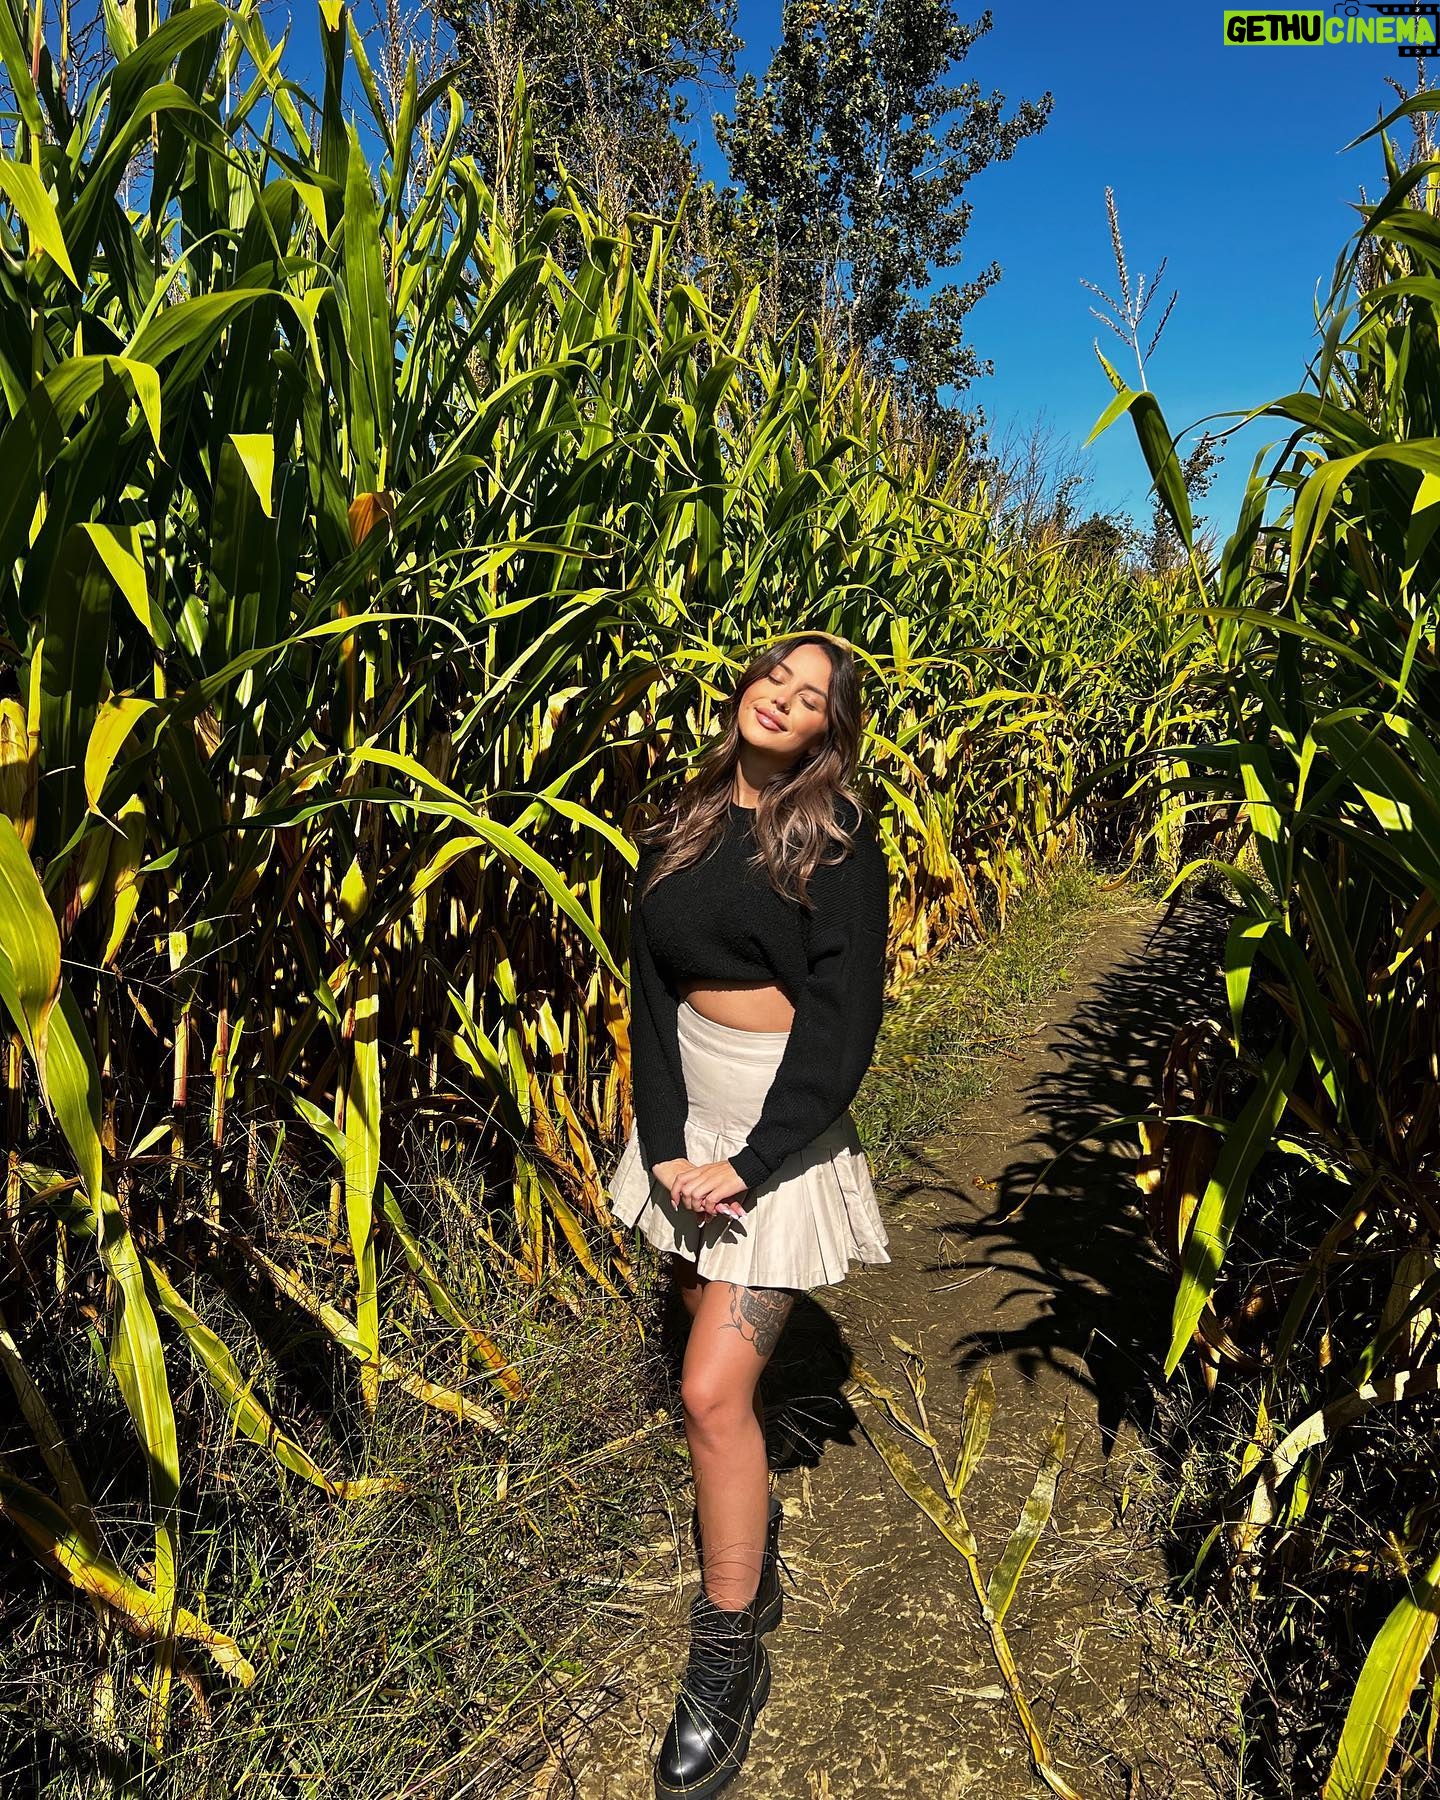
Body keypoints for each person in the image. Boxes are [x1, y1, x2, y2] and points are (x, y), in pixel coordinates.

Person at [607, 632, 893, 1799]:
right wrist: (665, 1143)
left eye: (812, 696)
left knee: (709, 1392)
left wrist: (754, 1161)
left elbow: (842, 1026)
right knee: (706, 1359)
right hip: (690, 1119)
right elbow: (649, 994)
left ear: (830, 730)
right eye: (777, 675)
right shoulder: (678, 820)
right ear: (747, 685)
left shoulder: (837, 838)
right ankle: (750, 1561)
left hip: (780, 1132)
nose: (784, 697)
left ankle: (729, 1649)